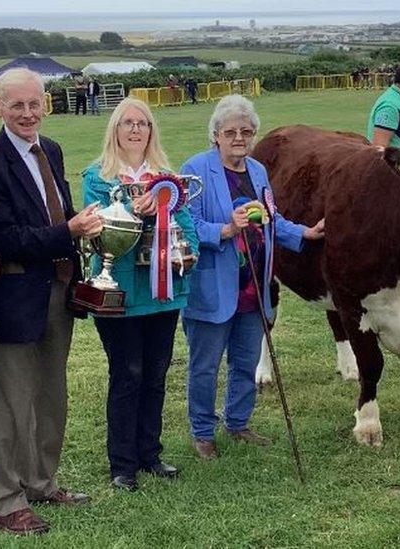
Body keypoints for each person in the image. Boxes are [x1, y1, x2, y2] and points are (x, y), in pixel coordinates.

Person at [0, 67, 104, 535]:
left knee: (51, 394)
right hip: (13, 297)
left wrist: (88, 221)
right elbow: (5, 238)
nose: (28, 114)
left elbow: (57, 212)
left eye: (35, 104)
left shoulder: (50, 150)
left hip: (57, 291)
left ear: (46, 104)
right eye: (17, 105)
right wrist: (66, 231)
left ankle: (41, 482)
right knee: (11, 401)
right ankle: (5, 499)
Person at [180, 95, 325, 460]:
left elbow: (270, 217)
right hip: (214, 283)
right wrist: (226, 230)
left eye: (246, 131)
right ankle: (202, 432)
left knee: (245, 360)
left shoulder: (258, 171)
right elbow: (187, 225)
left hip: (254, 282)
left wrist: (303, 233)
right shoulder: (196, 168)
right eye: (230, 132)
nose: (238, 138)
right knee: (205, 365)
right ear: (215, 135)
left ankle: (238, 422)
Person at [81, 98, 199, 491]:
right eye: (127, 123)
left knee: (156, 372)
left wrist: (192, 249)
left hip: (164, 291)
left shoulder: (167, 176)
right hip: (120, 292)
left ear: (151, 131)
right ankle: (122, 464)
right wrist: (134, 208)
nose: (135, 129)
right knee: (127, 373)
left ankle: (150, 453)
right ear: (114, 130)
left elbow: (183, 219)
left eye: (143, 123)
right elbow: (97, 226)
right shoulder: (97, 177)